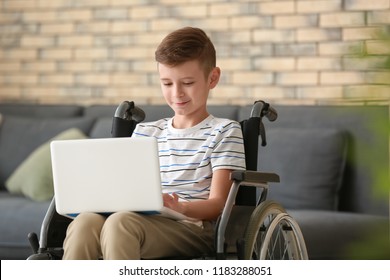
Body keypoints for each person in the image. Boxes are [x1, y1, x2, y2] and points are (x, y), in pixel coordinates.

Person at [62, 27, 246, 260]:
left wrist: (181, 208)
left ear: (213, 78)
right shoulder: (146, 131)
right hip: (140, 218)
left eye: (187, 82)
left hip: (192, 226)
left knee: (121, 223)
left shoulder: (224, 131)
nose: (177, 93)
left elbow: (219, 203)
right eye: (167, 84)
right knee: (85, 221)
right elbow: (125, 190)